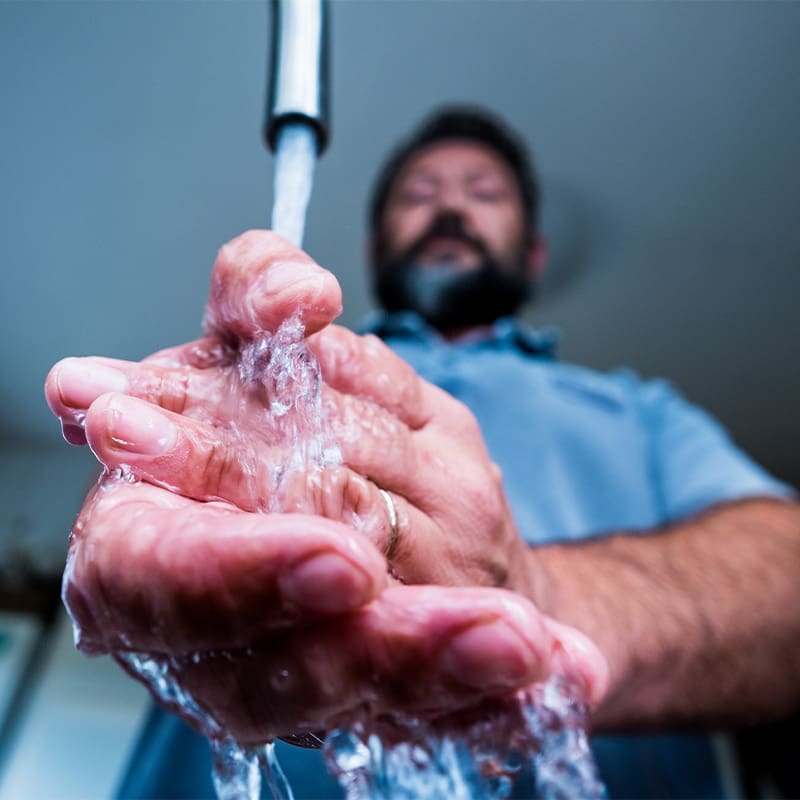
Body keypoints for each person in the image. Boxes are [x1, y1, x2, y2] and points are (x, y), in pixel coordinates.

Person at [45, 107, 799, 799]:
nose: (449, 206)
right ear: (376, 249)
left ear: (532, 255)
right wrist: (161, 467)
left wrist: (545, 594)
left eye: (482, 191)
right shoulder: (272, 380)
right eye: (421, 193)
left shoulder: (641, 412)